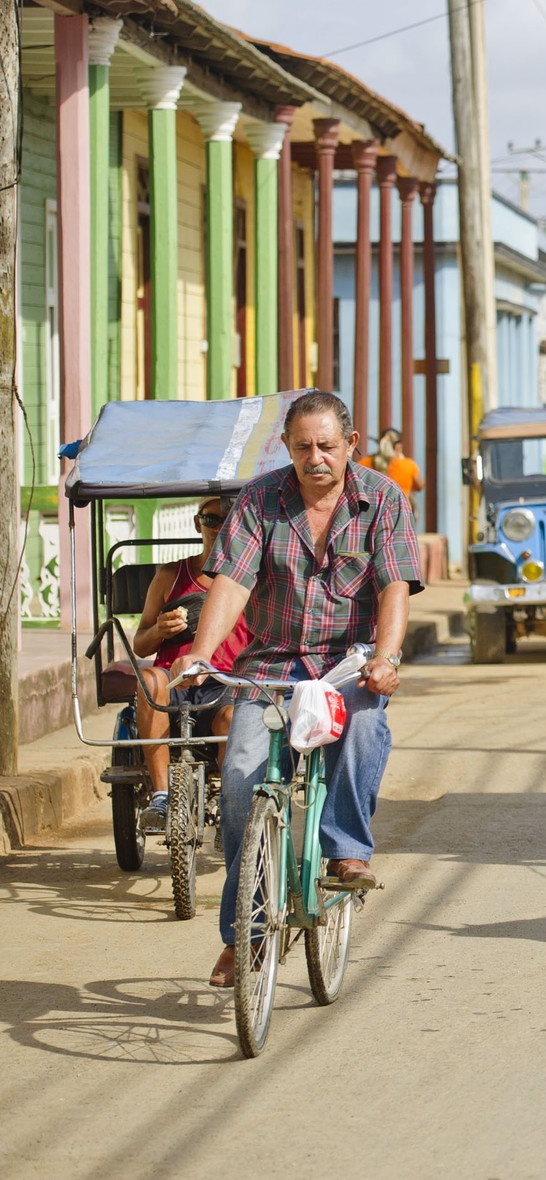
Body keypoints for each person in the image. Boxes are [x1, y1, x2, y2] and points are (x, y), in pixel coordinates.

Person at [176, 391, 424, 989]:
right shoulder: (260, 500)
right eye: (303, 447)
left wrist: (386, 659)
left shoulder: (383, 499)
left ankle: (345, 850)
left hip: (347, 665)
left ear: (351, 447)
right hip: (271, 664)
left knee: (366, 725)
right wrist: (202, 656)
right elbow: (232, 583)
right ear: (286, 447)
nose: (316, 458)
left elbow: (394, 586)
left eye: (327, 446)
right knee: (239, 781)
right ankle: (245, 936)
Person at [130, 496, 253, 830]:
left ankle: (232, 805)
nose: (219, 528)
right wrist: (158, 629)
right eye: (212, 520)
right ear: (198, 523)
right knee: (150, 678)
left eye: (229, 521)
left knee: (232, 716)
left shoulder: (252, 581)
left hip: (226, 685)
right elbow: (140, 642)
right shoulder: (171, 574)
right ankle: (160, 796)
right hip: (174, 683)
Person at [376, 428, 423, 500]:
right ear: (399, 446)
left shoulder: (369, 462)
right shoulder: (409, 464)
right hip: (403, 509)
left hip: (377, 509)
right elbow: (420, 485)